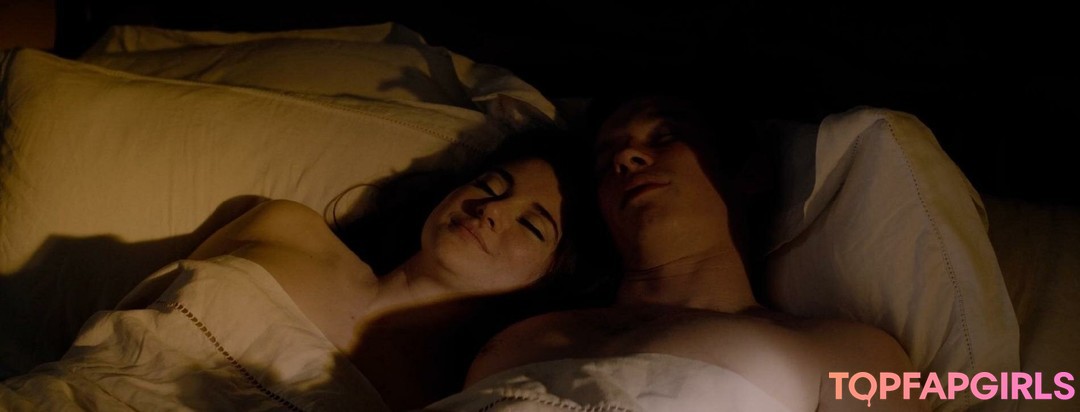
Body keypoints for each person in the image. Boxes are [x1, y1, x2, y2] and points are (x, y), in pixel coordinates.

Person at [1, 132, 599, 411]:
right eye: (491, 185)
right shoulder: (285, 227)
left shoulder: (444, 395)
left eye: (532, 225)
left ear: (547, 282)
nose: (492, 210)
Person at [427, 96, 929, 411]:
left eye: (665, 137)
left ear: (748, 173)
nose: (626, 158)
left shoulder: (845, 352)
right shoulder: (520, 330)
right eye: (605, 160)